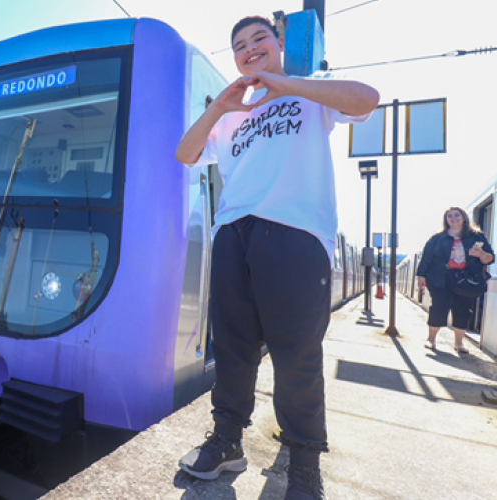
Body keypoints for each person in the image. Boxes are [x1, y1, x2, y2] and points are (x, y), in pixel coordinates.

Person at [175, 15, 379, 500]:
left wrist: (287, 84)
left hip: (295, 233)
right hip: (233, 234)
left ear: (279, 43)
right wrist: (221, 106)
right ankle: (227, 441)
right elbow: (185, 154)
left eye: (259, 39)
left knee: (296, 355)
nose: (250, 49)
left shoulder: (311, 92)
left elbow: (367, 99)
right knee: (232, 347)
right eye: (240, 45)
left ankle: (304, 465)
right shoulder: (228, 117)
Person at [416, 207, 494, 353]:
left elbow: (490, 259)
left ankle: (459, 343)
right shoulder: (437, 239)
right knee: (439, 307)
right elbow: (426, 258)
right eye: (449, 216)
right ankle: (431, 339)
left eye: (457, 215)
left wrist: (481, 254)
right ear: (446, 220)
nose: (453, 218)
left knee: (463, 310)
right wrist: (421, 275)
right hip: (440, 279)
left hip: (466, 280)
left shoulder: (477, 237)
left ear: (464, 217)